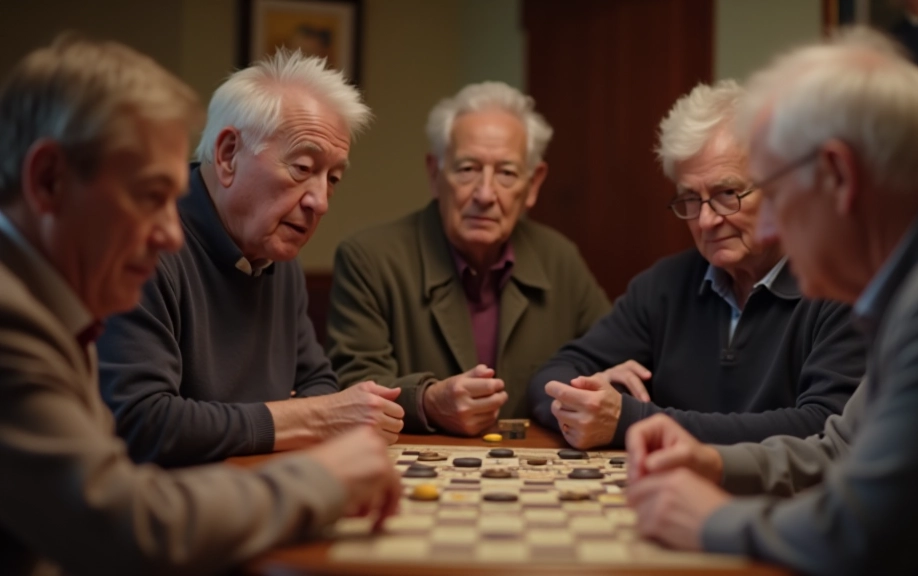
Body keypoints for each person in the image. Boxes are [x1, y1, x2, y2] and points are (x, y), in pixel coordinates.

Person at [625, 27, 918, 575]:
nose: (765, 223)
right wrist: (711, 459)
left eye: (777, 194)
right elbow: (840, 449)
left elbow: (859, 534)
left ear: (838, 176)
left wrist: (708, 520)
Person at [0, 35, 399, 576]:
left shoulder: (60, 298)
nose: (170, 232)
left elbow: (317, 385)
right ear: (48, 181)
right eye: (150, 196)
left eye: (332, 179)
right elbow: (124, 517)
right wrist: (320, 478)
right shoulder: (14, 320)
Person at [98, 48, 405, 467]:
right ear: (227, 155)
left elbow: (317, 382)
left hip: (254, 488)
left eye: (332, 178)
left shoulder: (275, 252)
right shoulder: (145, 244)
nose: (320, 201)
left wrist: (300, 415)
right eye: (301, 167)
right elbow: (141, 422)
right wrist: (305, 417)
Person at [528, 80, 865, 450]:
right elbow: (550, 378)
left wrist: (630, 420)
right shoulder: (664, 286)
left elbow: (822, 425)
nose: (705, 221)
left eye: (726, 194)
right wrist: (585, 396)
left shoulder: (841, 284)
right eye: (690, 199)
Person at [326, 82, 610, 436]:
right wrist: (427, 401)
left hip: (531, 472)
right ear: (434, 174)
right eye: (467, 169)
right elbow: (352, 387)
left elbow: (606, 359)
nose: (485, 194)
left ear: (533, 184)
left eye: (506, 173)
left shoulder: (560, 259)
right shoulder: (370, 258)